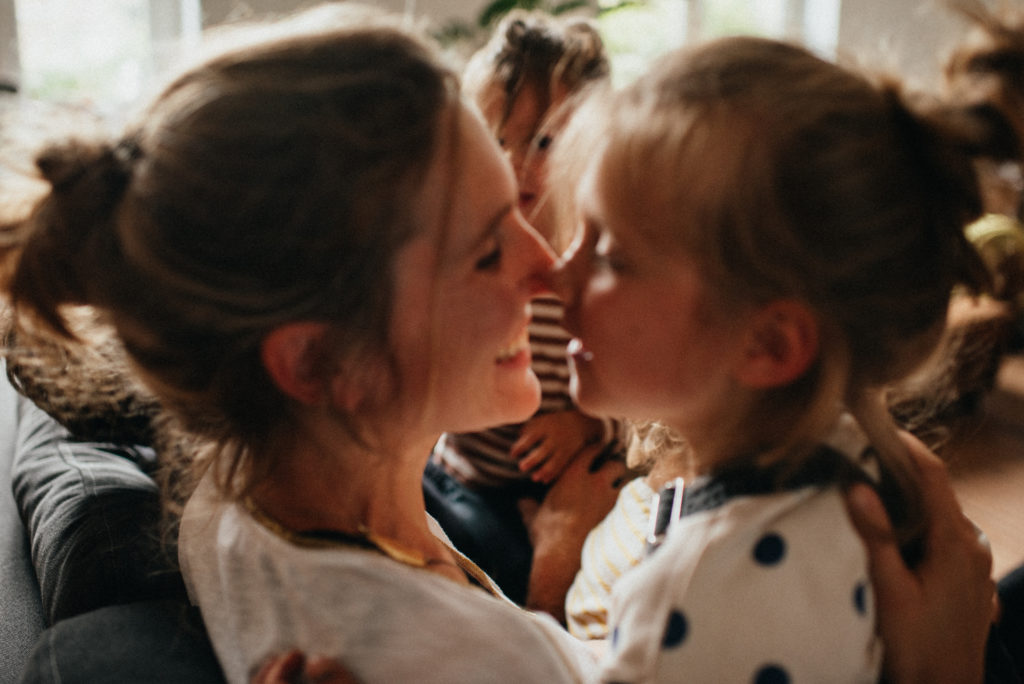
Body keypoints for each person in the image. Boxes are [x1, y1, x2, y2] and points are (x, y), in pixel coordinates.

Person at [0, 6, 999, 683]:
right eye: (487, 250)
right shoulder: (443, 654)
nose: (545, 266)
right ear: (319, 363)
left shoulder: (239, 496)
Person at [552, 35, 1012, 681]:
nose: (556, 275)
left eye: (610, 258)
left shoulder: (692, 604)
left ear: (769, 345)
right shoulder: (857, 459)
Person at [424, 9, 621, 613]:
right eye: (495, 139)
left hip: (560, 484)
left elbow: (636, 396)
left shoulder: (598, 260)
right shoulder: (455, 252)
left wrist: (588, 425)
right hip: (460, 479)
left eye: (543, 141)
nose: (515, 162)